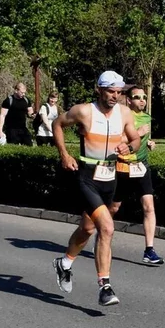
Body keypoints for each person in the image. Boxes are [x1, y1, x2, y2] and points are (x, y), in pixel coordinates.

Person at [51, 71, 140, 306]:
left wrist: (129, 147)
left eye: (118, 92)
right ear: (98, 90)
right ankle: (105, 286)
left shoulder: (125, 112)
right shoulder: (84, 111)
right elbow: (57, 123)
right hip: (87, 177)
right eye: (110, 91)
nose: (115, 96)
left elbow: (135, 139)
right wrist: (64, 154)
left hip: (110, 178)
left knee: (88, 228)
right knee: (107, 228)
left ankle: (64, 263)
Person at [112, 86, 164, 266]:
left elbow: (142, 138)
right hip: (123, 166)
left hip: (141, 166)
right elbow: (114, 141)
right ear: (129, 100)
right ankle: (101, 235)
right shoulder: (121, 117)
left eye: (144, 97)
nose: (142, 100)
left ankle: (149, 250)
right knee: (114, 208)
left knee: (149, 207)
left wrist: (148, 141)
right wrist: (138, 134)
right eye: (137, 97)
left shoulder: (147, 117)